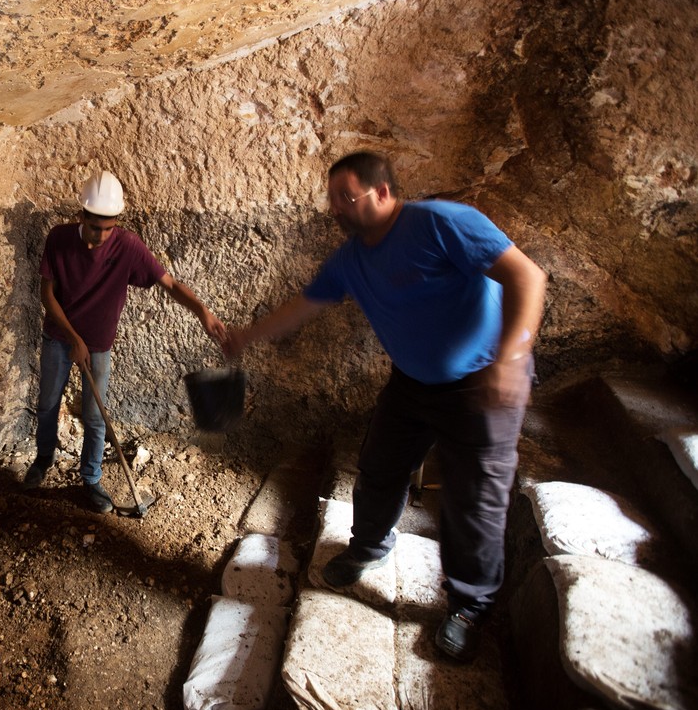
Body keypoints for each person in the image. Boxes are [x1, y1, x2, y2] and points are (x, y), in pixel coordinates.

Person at [224, 151, 547, 661]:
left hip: (482, 381)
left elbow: (526, 278)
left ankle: (468, 605)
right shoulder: (350, 260)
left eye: (345, 197)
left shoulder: (442, 223)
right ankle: (371, 545)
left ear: (382, 192)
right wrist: (246, 336)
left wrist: (511, 359)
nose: (335, 209)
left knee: (473, 498)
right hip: (413, 383)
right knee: (379, 467)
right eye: (331, 199)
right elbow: (303, 306)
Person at [24, 170, 228, 513]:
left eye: (109, 227)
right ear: (81, 216)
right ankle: (44, 458)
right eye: (94, 226)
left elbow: (170, 284)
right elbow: (47, 294)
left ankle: (91, 479)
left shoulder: (128, 246)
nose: (102, 235)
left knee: (94, 416)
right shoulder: (58, 238)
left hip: (99, 343)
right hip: (60, 337)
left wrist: (202, 310)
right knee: (47, 404)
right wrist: (74, 338)